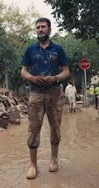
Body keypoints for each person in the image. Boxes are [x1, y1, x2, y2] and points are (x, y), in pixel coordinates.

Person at [21, 17, 70, 179]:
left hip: (54, 93)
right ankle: (33, 165)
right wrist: (32, 78)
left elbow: (66, 72)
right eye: (38, 27)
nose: (40, 29)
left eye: (43, 27)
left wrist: (55, 78)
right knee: (33, 128)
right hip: (35, 93)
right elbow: (23, 71)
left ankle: (54, 159)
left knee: (55, 126)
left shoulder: (58, 49)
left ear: (49, 29)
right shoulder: (30, 50)